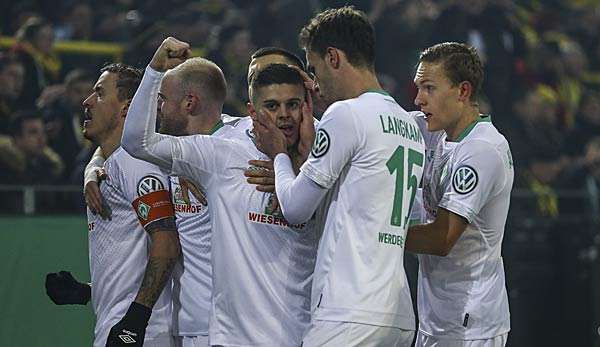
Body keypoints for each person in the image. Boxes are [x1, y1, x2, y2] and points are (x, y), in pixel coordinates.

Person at [82, 45, 311, 346]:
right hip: (187, 321)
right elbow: (131, 143)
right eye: (253, 76)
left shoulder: (242, 139)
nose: (158, 109)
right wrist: (95, 164)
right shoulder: (186, 152)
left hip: (245, 320)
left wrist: (290, 165)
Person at [251, 6, 424, 346]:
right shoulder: (407, 124)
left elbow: (296, 208)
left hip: (349, 310)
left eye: (313, 69)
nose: (314, 84)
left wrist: (279, 156)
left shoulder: (345, 115)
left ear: (333, 57)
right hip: (398, 314)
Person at [45, 63, 180, 347]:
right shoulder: (111, 165)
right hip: (118, 324)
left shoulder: (137, 165)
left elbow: (166, 244)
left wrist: (136, 320)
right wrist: (88, 292)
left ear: (126, 109)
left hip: (141, 331)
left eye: (99, 93)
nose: (87, 101)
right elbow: (133, 260)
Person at [406, 42, 513, 347]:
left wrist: (378, 232)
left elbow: (442, 239)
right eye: (418, 87)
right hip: (437, 318)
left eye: (429, 88)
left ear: (463, 91)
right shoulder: (436, 130)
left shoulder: (481, 150)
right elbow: (377, 121)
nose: (418, 99)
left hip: (470, 324)